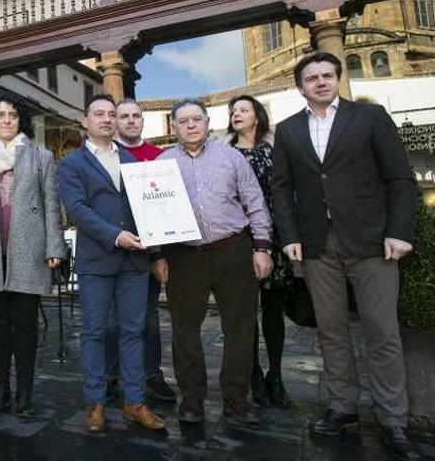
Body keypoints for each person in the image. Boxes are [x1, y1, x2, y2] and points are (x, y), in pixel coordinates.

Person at [271, 52, 421, 460]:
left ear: (336, 79)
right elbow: (281, 189)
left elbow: (399, 178)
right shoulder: (288, 130)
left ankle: (394, 420)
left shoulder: (369, 119)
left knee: (382, 332)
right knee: (332, 332)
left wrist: (399, 232)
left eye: (326, 75)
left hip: (373, 242)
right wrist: (289, 237)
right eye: (311, 77)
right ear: (300, 86)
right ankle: (343, 408)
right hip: (318, 245)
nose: (320, 81)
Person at [157, 99, 273, 427]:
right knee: (184, 329)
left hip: (234, 249)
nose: (191, 125)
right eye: (184, 121)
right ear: (173, 126)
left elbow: (255, 202)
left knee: (240, 326)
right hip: (184, 256)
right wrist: (157, 255)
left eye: (197, 119)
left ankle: (236, 397)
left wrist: (261, 247)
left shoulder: (232, 157)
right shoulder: (162, 163)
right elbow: (150, 214)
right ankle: (191, 396)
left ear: (208, 123)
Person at [57, 94, 166, 434]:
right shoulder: (71, 164)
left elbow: (150, 206)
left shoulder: (135, 162)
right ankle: (95, 404)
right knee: (94, 332)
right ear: (85, 121)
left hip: (135, 261)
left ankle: (135, 403)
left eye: (111, 114)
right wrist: (114, 236)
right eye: (99, 114)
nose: (106, 119)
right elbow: (77, 210)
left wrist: (157, 247)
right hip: (97, 261)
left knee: (133, 331)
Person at [0, 92, 66, 417]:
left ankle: (25, 392)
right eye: (0, 115)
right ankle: (0, 391)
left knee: (25, 325)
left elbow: (52, 204)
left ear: (20, 119)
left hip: (30, 250)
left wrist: (55, 247)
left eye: (12, 114)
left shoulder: (40, 156)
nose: (7, 120)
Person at [104, 98, 177, 403]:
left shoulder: (158, 157)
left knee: (146, 316)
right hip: (110, 250)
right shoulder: (104, 156)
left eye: (136, 116)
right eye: (124, 116)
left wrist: (158, 254)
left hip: (145, 253)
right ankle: (111, 375)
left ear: (143, 121)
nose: (131, 121)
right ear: (115, 121)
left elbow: (165, 208)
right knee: (111, 317)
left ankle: (152, 374)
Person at [224, 94, 292, 408]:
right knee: (245, 311)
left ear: (257, 115)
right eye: (233, 110)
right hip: (240, 239)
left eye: (243, 109)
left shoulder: (275, 149)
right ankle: (252, 374)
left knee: (273, 309)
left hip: (275, 237)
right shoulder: (225, 152)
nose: (237, 114)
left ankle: (275, 374)